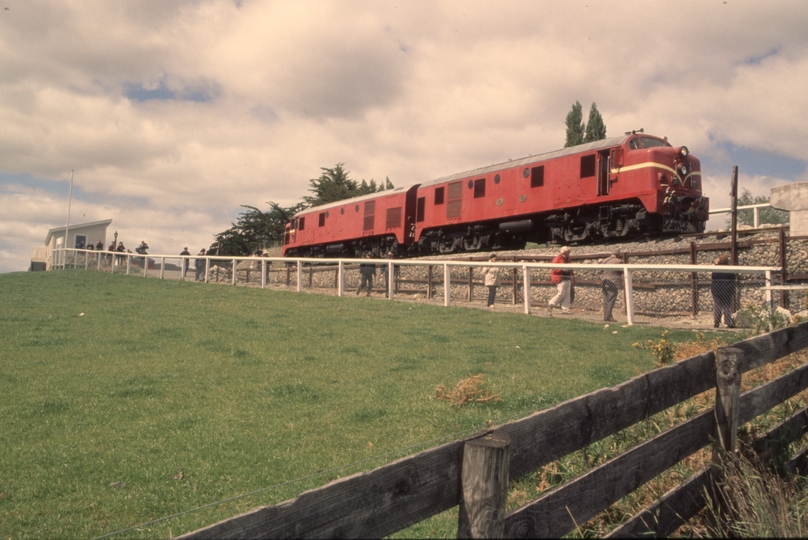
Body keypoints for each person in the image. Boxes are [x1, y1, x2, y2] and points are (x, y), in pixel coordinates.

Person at [711, 254, 736, 328]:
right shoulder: (729, 269)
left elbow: (713, 277)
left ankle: (716, 322)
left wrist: (715, 264)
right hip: (727, 290)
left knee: (717, 306)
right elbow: (733, 278)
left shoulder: (715, 269)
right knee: (727, 306)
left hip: (717, 290)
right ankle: (728, 322)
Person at [548, 246, 574, 315]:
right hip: (561, 279)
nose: (569, 253)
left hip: (567, 278)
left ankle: (565, 310)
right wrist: (562, 269)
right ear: (565, 252)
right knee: (561, 293)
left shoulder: (568, 259)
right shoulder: (557, 259)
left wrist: (572, 277)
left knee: (567, 295)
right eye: (568, 252)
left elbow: (571, 269)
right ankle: (551, 303)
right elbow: (554, 269)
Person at [600, 250, 623, 322]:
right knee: (611, 299)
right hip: (614, 282)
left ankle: (606, 316)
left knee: (606, 299)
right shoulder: (619, 261)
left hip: (604, 281)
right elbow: (622, 271)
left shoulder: (604, 260)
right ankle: (608, 316)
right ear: (618, 255)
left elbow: (601, 270)